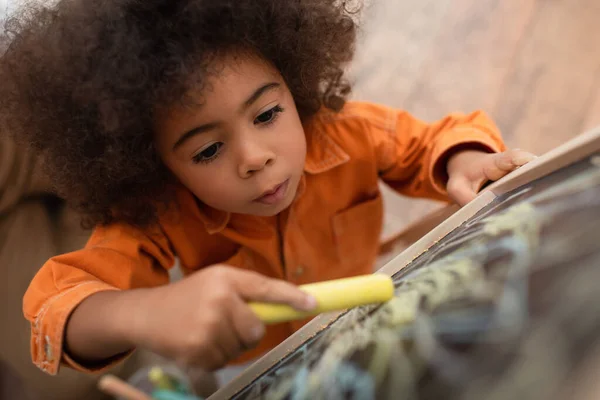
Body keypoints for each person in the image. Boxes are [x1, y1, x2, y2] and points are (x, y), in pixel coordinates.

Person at [0, 0, 535, 383]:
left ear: (295, 82)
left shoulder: (348, 132)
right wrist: (147, 312)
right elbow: (56, 304)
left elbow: (432, 143)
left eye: (267, 113)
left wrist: (467, 161)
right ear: (152, 163)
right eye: (208, 150)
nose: (255, 156)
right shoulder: (156, 212)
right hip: (257, 367)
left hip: (371, 313)